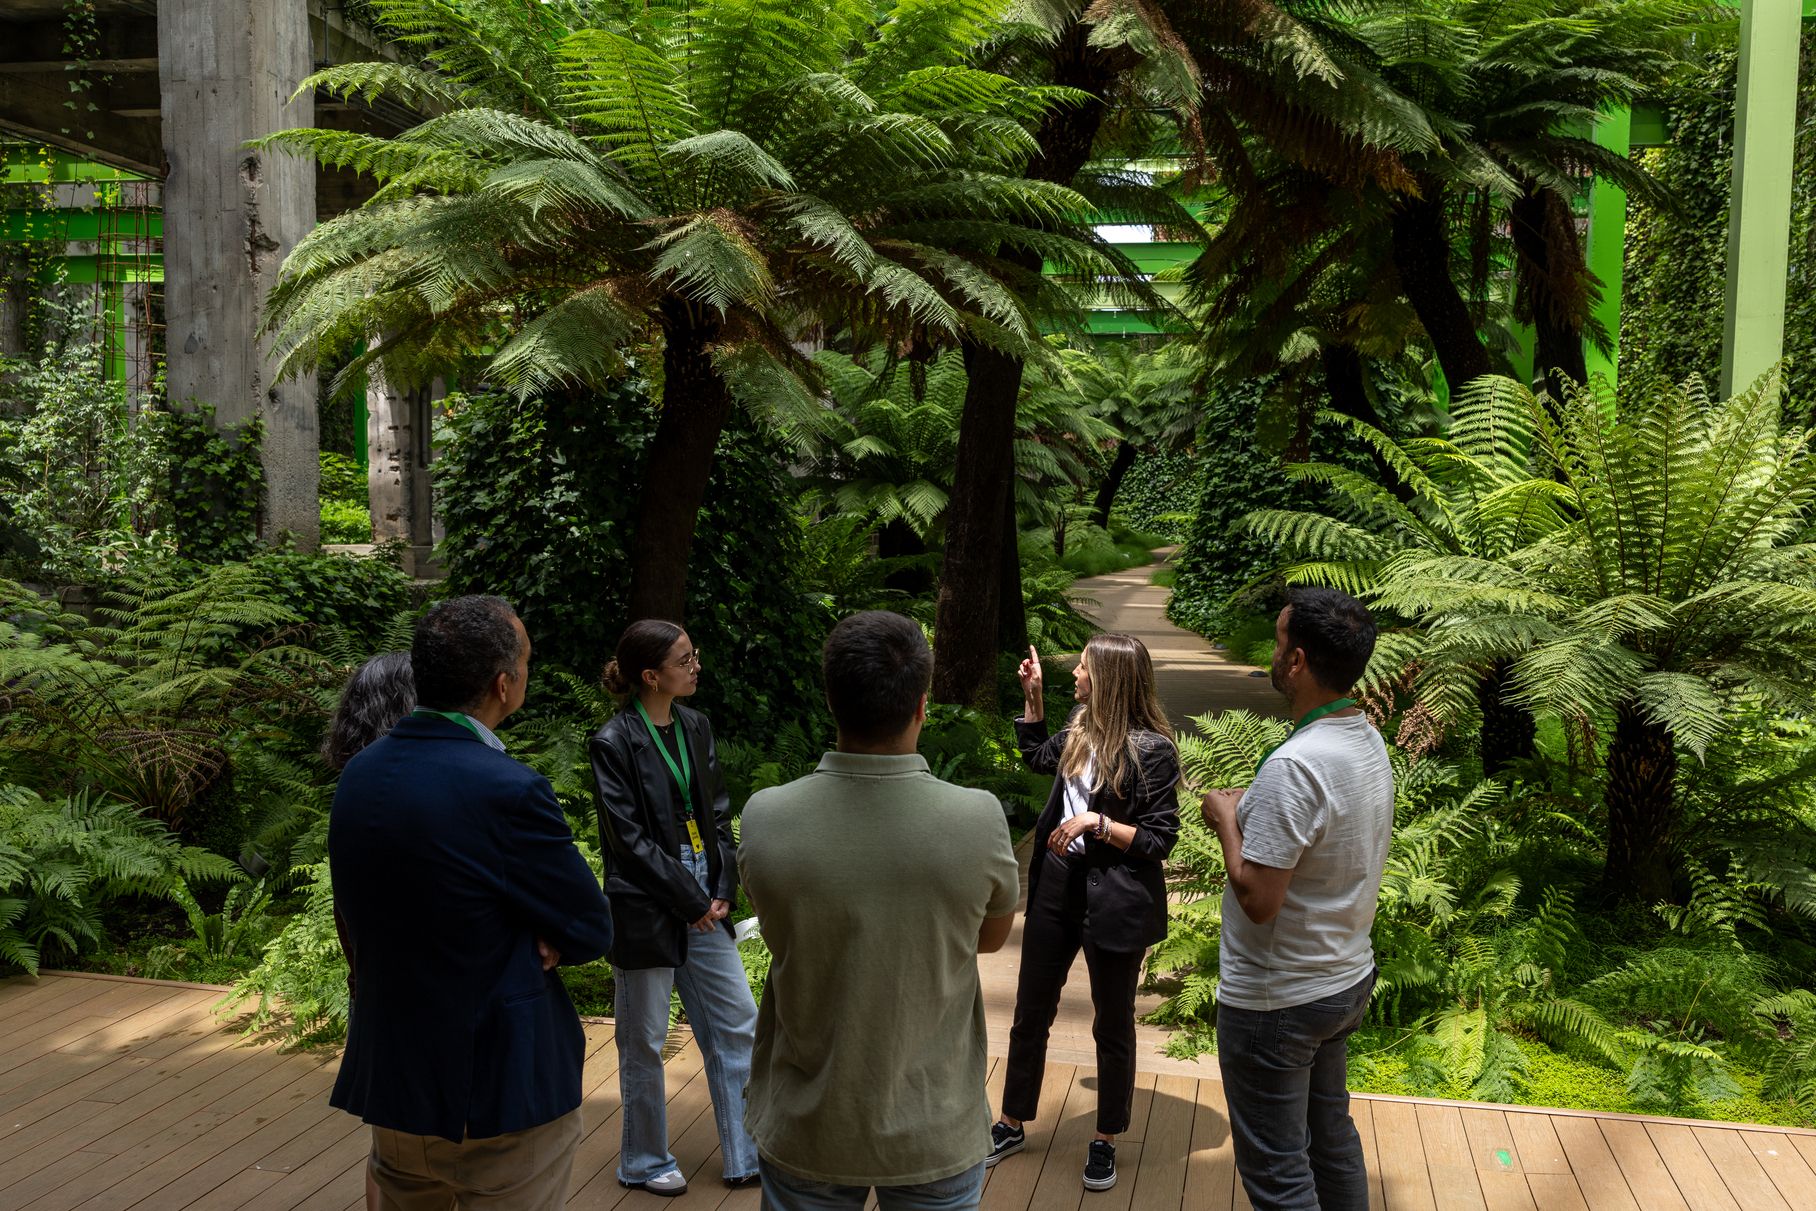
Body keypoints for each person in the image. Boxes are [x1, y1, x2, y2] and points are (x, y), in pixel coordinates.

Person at [329, 595, 614, 1211]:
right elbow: (590, 927)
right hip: (499, 1089)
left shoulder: (361, 773)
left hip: (398, 1082)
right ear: (503, 684)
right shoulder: (508, 788)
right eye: (528, 664)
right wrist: (531, 929)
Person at [739, 611, 1020, 1211]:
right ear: (922, 705)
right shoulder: (977, 818)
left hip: (806, 1120)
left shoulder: (766, 816)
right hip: (933, 1122)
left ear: (832, 700)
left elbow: (777, 923)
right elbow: (990, 939)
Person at [1199, 587, 1393, 1211]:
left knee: (1281, 1173)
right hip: (1341, 978)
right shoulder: (1364, 739)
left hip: (1276, 1000)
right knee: (1330, 1141)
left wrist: (1225, 817)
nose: (1273, 654)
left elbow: (1258, 899)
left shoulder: (1297, 765)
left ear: (1300, 660)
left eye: (1279, 642)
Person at [987, 634, 1181, 1193]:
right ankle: (1012, 1120)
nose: (1074, 672)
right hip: (1056, 887)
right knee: (1030, 1011)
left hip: (1117, 896)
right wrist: (1033, 700)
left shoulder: (1152, 750)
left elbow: (1159, 840)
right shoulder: (1077, 727)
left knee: (1112, 1023)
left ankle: (1105, 1139)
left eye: (1083, 667)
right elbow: (1034, 755)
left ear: (1110, 678)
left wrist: (1096, 823)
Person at [587, 619, 759, 1196]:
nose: (695, 666)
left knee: (738, 1021)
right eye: (684, 660)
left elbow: (718, 815)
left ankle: (746, 1152)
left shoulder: (696, 725)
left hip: (705, 894)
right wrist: (689, 900)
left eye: (694, 655)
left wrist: (723, 885)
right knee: (646, 1037)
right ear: (650, 675)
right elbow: (627, 842)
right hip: (648, 903)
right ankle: (643, 1161)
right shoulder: (613, 741)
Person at [321, 651, 416, 1211]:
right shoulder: (390, 795)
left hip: (374, 979)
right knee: (402, 1148)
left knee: (392, 1143)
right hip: (401, 987)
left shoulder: (360, 787)